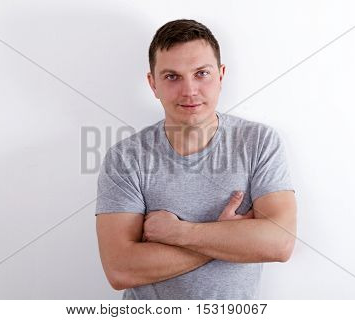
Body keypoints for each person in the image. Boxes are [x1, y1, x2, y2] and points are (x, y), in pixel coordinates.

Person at [95, 19, 296, 299]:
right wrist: (229, 238)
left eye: (201, 73)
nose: (189, 90)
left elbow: (280, 243)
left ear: (221, 75)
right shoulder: (125, 158)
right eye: (172, 77)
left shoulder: (259, 143)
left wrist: (179, 233)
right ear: (153, 84)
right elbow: (120, 270)